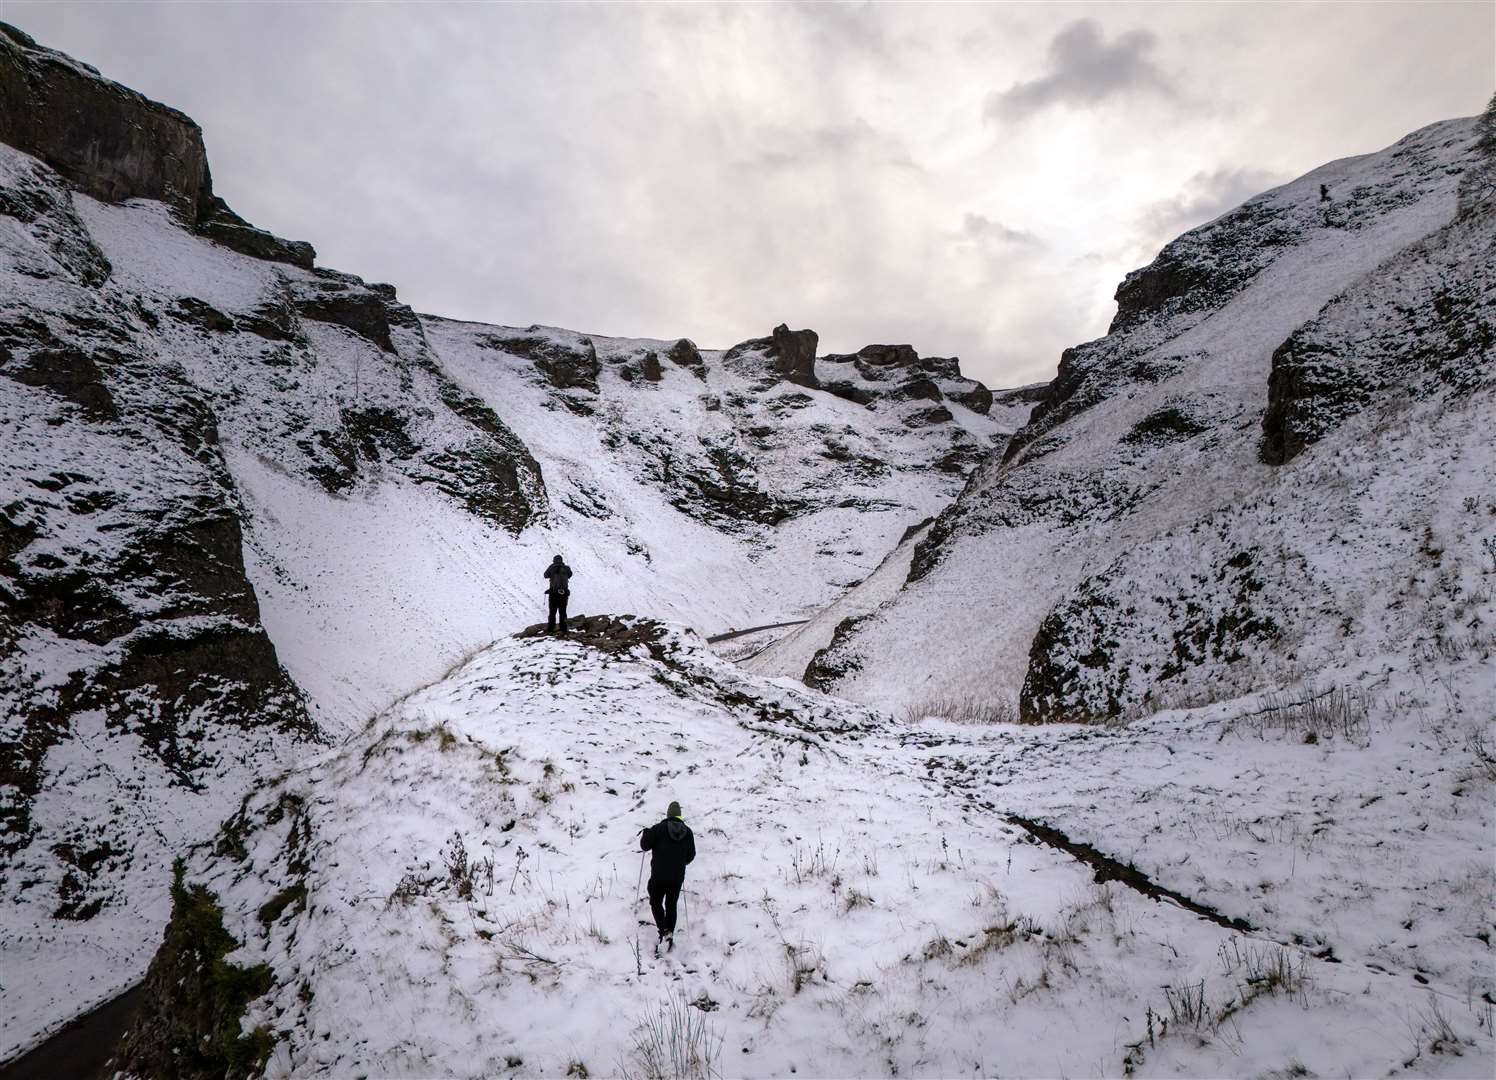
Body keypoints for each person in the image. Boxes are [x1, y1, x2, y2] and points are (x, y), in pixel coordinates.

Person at [640, 800, 695, 951]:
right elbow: (691, 856)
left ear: (668, 814)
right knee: (671, 905)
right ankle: (669, 932)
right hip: (676, 878)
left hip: (658, 875)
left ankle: (663, 929)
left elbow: (644, 846)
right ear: (679, 815)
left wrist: (646, 834)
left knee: (655, 901)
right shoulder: (688, 832)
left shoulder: (658, 829)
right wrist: (680, 863)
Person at [544, 555, 572, 634]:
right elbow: (570, 574)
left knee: (552, 612)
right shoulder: (566, 568)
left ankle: (551, 629)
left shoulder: (552, 567)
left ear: (554, 560)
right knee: (562, 612)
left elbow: (545, 575)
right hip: (564, 594)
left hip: (554, 593)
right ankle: (563, 629)